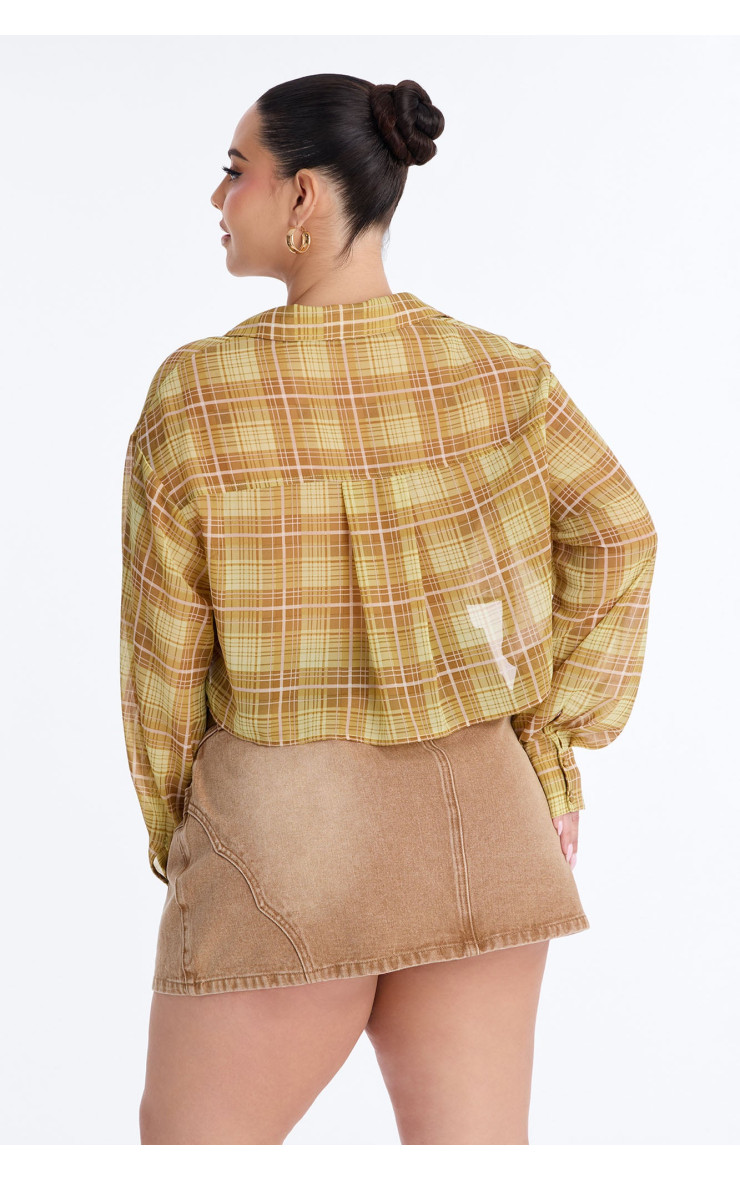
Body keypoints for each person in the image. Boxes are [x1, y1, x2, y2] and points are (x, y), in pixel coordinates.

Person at [120, 73, 658, 1146]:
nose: (218, 198)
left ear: (304, 194)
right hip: (487, 820)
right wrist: (548, 746)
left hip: (283, 838)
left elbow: (163, 662)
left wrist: (181, 834)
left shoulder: (199, 395)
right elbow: (618, 533)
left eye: (236, 172)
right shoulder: (498, 375)